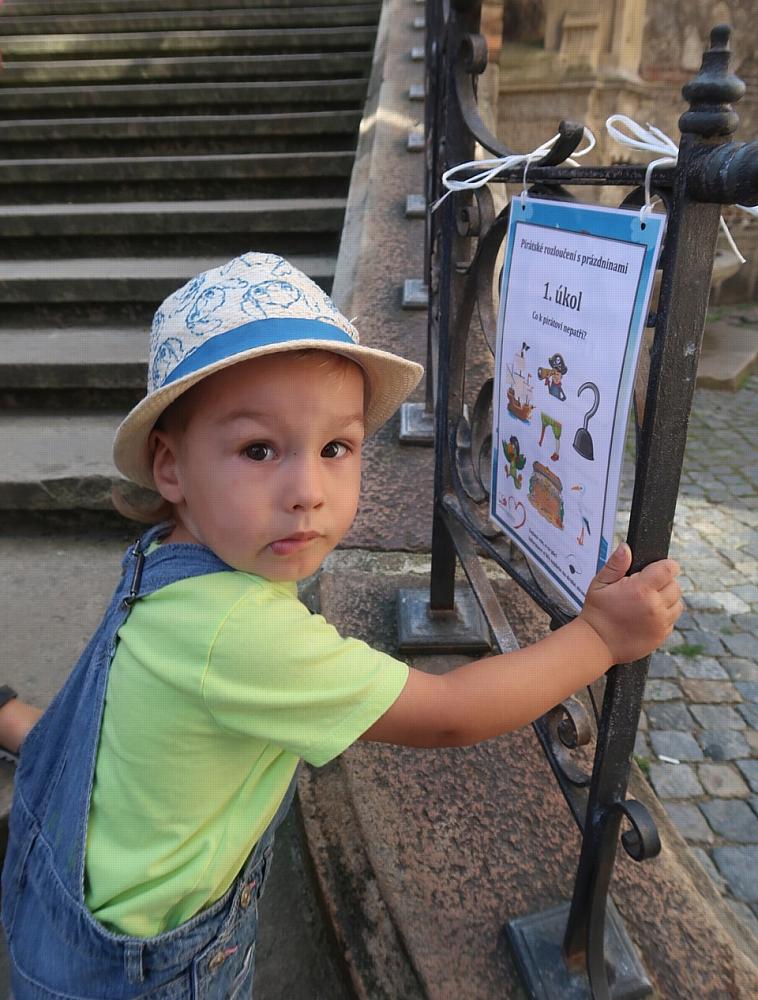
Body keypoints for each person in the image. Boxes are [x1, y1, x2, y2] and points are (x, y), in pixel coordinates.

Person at [0, 253, 682, 999]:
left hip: (60, 879)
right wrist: (600, 639)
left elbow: (112, 720)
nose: (307, 492)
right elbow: (449, 713)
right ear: (171, 468)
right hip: (142, 968)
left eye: (336, 449)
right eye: (258, 450)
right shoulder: (242, 633)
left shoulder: (166, 557)